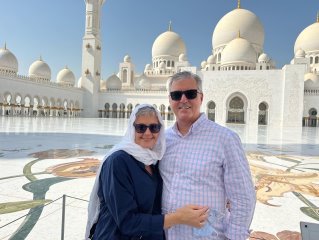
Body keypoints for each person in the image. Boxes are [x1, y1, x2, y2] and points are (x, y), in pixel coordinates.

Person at [85, 104, 209, 240]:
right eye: (141, 128)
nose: (148, 133)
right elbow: (128, 223)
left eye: (154, 127)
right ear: (132, 129)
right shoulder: (117, 162)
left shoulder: (153, 160)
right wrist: (178, 218)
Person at [159, 71, 256, 240]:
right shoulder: (163, 140)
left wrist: (234, 237)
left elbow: (243, 197)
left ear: (201, 98)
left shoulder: (225, 139)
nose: (183, 100)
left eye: (190, 94)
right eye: (176, 95)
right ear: (170, 101)